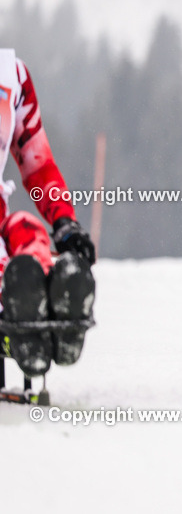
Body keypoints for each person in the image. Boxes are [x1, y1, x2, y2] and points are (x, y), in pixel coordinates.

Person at [0, 49, 96, 377]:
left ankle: (49, 312)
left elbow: (38, 165)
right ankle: (24, 322)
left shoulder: (12, 77)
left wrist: (64, 222)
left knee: (28, 232)